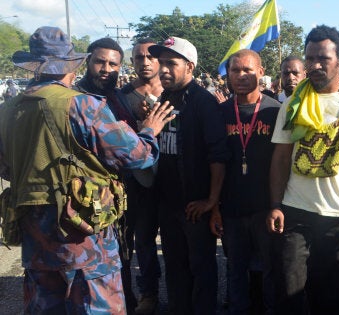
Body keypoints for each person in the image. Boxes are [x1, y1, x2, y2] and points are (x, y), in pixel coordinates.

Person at [0, 26, 174, 315]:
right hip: (81, 235)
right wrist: (148, 131)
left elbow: (6, 169)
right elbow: (137, 156)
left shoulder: (8, 109)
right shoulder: (82, 105)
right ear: (74, 64)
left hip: (34, 237)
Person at [267, 25, 339, 314]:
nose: (315, 65)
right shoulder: (292, 104)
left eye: (323, 59)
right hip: (295, 211)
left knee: (328, 296)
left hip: (338, 215)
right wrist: (276, 205)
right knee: (290, 293)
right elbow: (280, 156)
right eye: (310, 58)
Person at [148, 36, 230, 314]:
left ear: (190, 67)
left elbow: (218, 156)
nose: (164, 70)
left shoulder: (204, 103)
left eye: (172, 63)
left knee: (201, 269)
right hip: (167, 203)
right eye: (162, 63)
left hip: (195, 205)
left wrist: (211, 201)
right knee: (174, 268)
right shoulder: (164, 99)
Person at [74, 36, 143, 311]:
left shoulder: (119, 97)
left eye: (113, 64)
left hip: (120, 195)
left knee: (123, 254)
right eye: (100, 62)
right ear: (87, 62)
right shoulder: (75, 99)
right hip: (86, 199)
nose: (106, 69)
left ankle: (126, 298)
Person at [212, 49, 280, 314]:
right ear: (228, 75)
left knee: (271, 271)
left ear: (261, 73)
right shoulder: (220, 112)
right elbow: (214, 163)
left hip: (266, 207)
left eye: (248, 70)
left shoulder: (276, 111)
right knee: (235, 270)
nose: (241, 76)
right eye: (235, 70)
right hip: (231, 208)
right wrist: (215, 206)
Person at [119, 37, 164, 315]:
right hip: (136, 180)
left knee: (174, 241)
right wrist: (136, 123)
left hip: (171, 178)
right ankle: (149, 293)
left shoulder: (173, 91)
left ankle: (184, 292)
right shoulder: (122, 96)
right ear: (132, 61)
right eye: (138, 57)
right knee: (143, 239)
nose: (145, 62)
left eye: (150, 56)